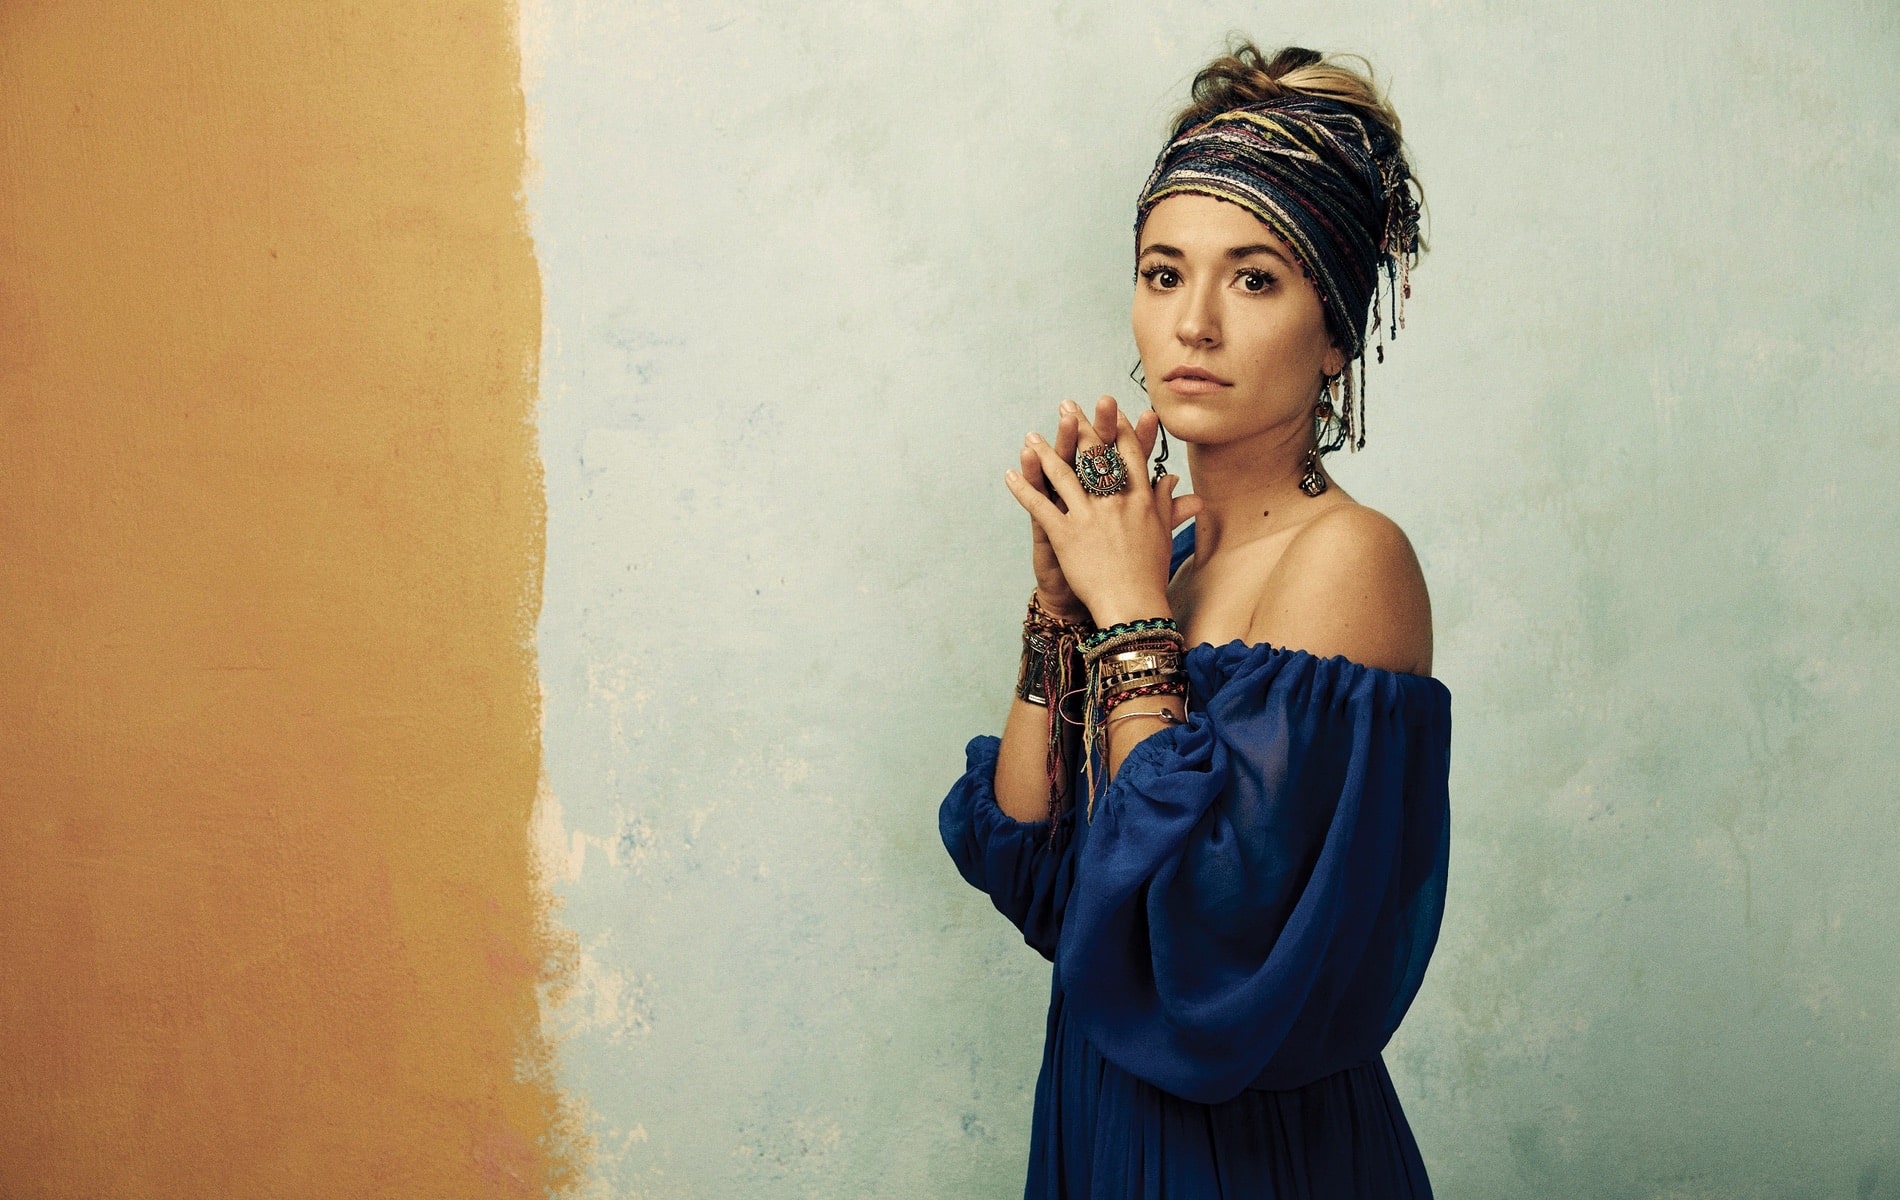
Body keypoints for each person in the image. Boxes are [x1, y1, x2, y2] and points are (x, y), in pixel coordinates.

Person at [938, 42, 1450, 1198]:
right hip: (1099, 1117)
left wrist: (1125, 616)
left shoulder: (1349, 557)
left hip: (1249, 1156)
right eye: (1163, 274)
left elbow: (1212, 933)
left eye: (1254, 280)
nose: (1194, 325)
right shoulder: (1162, 561)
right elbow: (1036, 875)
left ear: (1334, 332)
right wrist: (1058, 612)